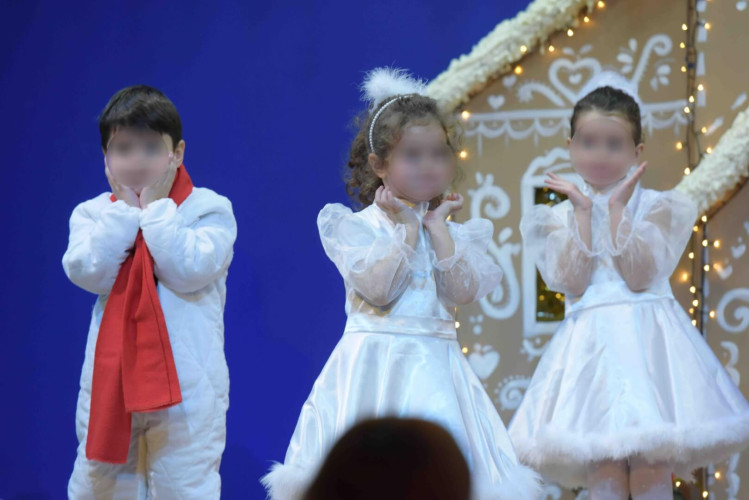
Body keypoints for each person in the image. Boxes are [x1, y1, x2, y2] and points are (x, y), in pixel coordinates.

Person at [261, 68, 541, 500]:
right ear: (379, 165)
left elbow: (462, 292)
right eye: (413, 155)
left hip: (438, 368)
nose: (429, 165)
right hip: (374, 367)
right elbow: (379, 289)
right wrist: (408, 229)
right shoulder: (356, 227)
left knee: (437, 478)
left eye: (439, 154)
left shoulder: (451, 231)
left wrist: (437, 228)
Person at [508, 71, 749, 499]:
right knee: (604, 463)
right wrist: (583, 213)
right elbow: (571, 281)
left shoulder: (656, 206)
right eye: (588, 142)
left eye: (613, 144)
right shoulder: (557, 216)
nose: (600, 154)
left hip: (648, 346)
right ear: (570, 146)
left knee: (650, 462)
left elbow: (640, 277)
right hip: (591, 351)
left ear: (636, 151)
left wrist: (618, 211)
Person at [63, 85, 237, 499]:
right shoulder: (94, 213)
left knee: (185, 487)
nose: (137, 161)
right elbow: (89, 271)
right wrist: (125, 213)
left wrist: (155, 211)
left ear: (177, 153)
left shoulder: (208, 209)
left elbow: (187, 269)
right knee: (102, 487)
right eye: (123, 149)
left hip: (187, 390)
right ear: (106, 157)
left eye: (150, 148)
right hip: (112, 385)